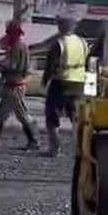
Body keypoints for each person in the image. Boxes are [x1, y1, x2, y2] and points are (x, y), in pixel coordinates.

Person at [0, 20, 40, 150]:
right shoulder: (17, 45)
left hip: (15, 85)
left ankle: (34, 141)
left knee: (22, 114)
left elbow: (14, 66)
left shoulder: (19, 46)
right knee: (0, 114)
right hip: (11, 84)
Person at [41, 16, 89, 156]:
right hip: (79, 85)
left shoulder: (59, 43)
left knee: (52, 115)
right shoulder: (83, 42)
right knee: (76, 118)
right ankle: (81, 149)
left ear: (60, 27)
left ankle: (54, 148)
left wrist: (44, 83)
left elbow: (50, 66)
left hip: (60, 83)